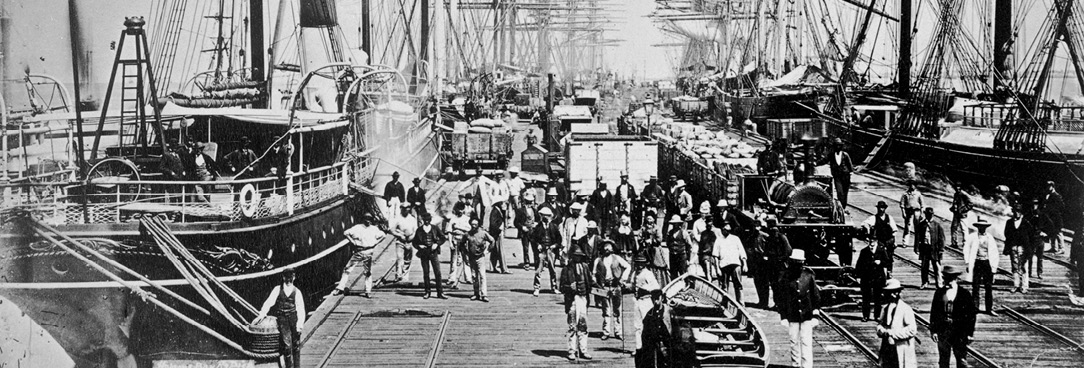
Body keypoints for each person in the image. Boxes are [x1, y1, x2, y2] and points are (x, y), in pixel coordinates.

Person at [775, 249, 821, 368]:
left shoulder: (808, 275)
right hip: (792, 314)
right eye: (796, 262)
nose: (798, 265)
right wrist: (783, 316)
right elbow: (781, 298)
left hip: (807, 314)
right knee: (794, 341)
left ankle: (807, 366)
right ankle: (796, 365)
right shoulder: (785, 277)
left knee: (806, 342)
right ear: (791, 262)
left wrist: (816, 315)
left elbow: (815, 296)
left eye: (800, 262)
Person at [253, 268, 306, 368]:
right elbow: (269, 302)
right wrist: (262, 314)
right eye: (287, 277)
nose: (289, 280)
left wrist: (299, 326)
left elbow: (301, 309)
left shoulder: (297, 292)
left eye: (290, 277)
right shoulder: (277, 289)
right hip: (283, 320)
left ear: (294, 277)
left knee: (296, 346)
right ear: (283, 277)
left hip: (293, 319)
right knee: (287, 346)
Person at [929, 265, 976, 368]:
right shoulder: (939, 293)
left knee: (961, 359)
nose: (947, 281)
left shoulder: (964, 294)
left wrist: (969, 333)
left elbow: (971, 315)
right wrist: (934, 330)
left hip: (959, 331)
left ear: (955, 278)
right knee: (943, 359)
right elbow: (934, 312)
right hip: (943, 330)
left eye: (950, 279)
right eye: (946, 278)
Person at [335, 214, 386, 297]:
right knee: (347, 269)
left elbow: (383, 235)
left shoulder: (374, 229)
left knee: (367, 272)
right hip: (359, 252)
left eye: (370, 219)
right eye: (367, 219)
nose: (368, 221)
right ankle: (340, 288)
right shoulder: (358, 227)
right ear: (363, 219)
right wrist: (352, 241)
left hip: (367, 252)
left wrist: (376, 243)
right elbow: (346, 233)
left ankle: (368, 291)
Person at [560, 245, 595, 361]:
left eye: (579, 256)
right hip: (572, 300)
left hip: (583, 298)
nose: (578, 258)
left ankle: (583, 350)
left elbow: (590, 282)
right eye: (576, 256)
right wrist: (569, 287)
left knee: (583, 325)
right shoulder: (566, 269)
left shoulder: (585, 267)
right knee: (572, 326)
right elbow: (561, 287)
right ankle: (572, 350)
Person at [593, 240, 632, 340]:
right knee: (606, 310)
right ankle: (606, 331)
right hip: (604, 287)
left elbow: (628, 266)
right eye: (605, 246)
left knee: (617, 309)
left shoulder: (617, 258)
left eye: (609, 246)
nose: (607, 248)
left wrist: (623, 279)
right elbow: (593, 274)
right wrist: (596, 285)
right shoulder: (598, 260)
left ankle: (618, 332)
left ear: (612, 248)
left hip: (616, 285)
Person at [877, 279, 917, 368]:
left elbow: (912, 330)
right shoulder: (885, 308)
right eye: (890, 292)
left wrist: (892, 334)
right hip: (887, 347)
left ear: (899, 293)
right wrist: (881, 331)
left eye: (895, 292)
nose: (892, 295)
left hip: (901, 347)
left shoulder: (905, 308)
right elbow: (880, 324)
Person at [755, 216, 792, 308]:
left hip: (780, 265)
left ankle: (779, 304)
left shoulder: (782, 237)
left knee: (778, 285)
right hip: (771, 264)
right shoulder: (769, 237)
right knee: (774, 284)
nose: (773, 230)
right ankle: (776, 304)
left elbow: (788, 251)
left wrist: (781, 258)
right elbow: (767, 250)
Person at [963, 218, 998, 315]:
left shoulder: (990, 238)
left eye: (984, 227)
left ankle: (989, 309)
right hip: (977, 262)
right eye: (980, 227)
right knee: (975, 286)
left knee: (988, 287)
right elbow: (966, 249)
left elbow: (995, 253)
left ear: (986, 228)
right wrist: (968, 262)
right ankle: (975, 308)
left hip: (987, 263)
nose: (982, 228)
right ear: (978, 227)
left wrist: (994, 268)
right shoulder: (972, 237)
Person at [631, 254, 661, 356]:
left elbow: (656, 288)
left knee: (647, 325)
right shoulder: (634, 273)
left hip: (646, 301)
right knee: (637, 326)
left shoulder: (648, 274)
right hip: (637, 301)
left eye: (641, 264)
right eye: (637, 263)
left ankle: (647, 348)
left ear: (644, 264)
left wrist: (645, 290)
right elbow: (632, 285)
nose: (639, 266)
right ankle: (638, 348)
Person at [857, 233, 890, 322]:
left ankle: (877, 316)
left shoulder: (881, 250)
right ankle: (865, 316)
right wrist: (858, 276)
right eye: (870, 242)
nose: (871, 244)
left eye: (873, 242)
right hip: (866, 277)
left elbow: (887, 262)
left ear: (876, 242)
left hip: (878, 277)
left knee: (877, 298)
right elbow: (859, 264)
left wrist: (881, 262)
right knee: (866, 298)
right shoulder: (864, 251)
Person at [459, 217, 494, 302]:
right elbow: (461, 244)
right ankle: (476, 293)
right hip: (471, 257)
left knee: (482, 276)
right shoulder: (467, 234)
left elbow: (492, 240)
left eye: (475, 224)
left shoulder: (483, 233)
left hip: (480, 257)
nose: (473, 226)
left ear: (478, 225)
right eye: (472, 224)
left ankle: (484, 294)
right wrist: (465, 253)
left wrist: (487, 251)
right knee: (474, 276)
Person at [413, 212, 447, 299]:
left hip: (433, 252)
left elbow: (443, 238)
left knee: (437, 272)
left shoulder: (435, 228)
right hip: (424, 253)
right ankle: (427, 292)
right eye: (425, 220)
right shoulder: (419, 230)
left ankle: (440, 292)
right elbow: (414, 242)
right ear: (423, 220)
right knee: (426, 273)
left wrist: (437, 244)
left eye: (428, 220)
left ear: (430, 220)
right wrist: (419, 246)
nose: (427, 221)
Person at [713, 223, 747, 304]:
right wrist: (717, 269)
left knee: (738, 285)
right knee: (724, 286)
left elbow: (742, 252)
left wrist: (745, 264)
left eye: (728, 230)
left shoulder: (735, 239)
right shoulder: (718, 240)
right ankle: (724, 304)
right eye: (724, 230)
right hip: (724, 265)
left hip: (735, 264)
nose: (726, 231)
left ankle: (740, 304)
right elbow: (715, 256)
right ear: (722, 229)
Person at [1004, 208, 1036, 293]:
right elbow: (1006, 234)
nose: (1017, 213)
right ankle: (1016, 285)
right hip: (1013, 247)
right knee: (1014, 267)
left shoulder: (1026, 223)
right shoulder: (1009, 222)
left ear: (1021, 213)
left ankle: (1024, 286)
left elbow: (1031, 236)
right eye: (1015, 211)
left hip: (1023, 248)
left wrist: (1029, 248)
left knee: (1024, 267)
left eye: (1018, 211)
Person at [638, 289, 673, 368]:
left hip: (667, 345)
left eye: (657, 298)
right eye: (653, 299)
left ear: (662, 298)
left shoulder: (668, 312)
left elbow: (674, 328)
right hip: (654, 346)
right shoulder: (649, 314)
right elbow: (645, 334)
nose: (655, 301)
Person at [914, 207, 946, 289]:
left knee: (937, 267)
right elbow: (917, 236)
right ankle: (924, 282)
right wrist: (916, 247)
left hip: (935, 249)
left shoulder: (937, 225)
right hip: (925, 248)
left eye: (930, 214)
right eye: (927, 214)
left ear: (933, 214)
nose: (929, 216)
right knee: (924, 266)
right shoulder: (921, 224)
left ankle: (939, 283)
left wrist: (941, 249)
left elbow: (942, 238)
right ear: (925, 214)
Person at [532, 207, 562, 296]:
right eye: (544, 215)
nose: (546, 217)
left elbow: (559, 239)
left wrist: (555, 246)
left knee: (552, 269)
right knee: (538, 270)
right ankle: (536, 288)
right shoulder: (537, 227)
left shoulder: (554, 227)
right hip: (541, 251)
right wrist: (538, 245)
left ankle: (554, 287)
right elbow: (533, 238)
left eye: (548, 216)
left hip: (551, 250)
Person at [862, 201, 899, 272]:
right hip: (879, 241)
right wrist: (868, 229)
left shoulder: (889, 218)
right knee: (879, 256)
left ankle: (889, 271)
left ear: (885, 208)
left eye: (883, 208)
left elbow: (895, 230)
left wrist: (894, 240)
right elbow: (864, 223)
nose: (881, 209)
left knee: (889, 257)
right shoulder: (874, 218)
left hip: (888, 241)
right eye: (880, 208)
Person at [446, 203, 473, 289]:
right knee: (454, 260)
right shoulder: (453, 219)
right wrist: (450, 243)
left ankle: (468, 277)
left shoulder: (467, 219)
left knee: (466, 259)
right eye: (459, 209)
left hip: (464, 241)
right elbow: (449, 232)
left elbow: (470, 230)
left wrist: (459, 228)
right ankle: (452, 278)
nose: (460, 211)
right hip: (455, 240)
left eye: (462, 209)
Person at [389, 202, 418, 283]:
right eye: (403, 208)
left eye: (407, 208)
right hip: (400, 241)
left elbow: (416, 230)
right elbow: (392, 230)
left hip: (409, 241)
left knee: (407, 259)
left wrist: (412, 237)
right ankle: (398, 276)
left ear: (409, 209)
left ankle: (405, 277)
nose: (405, 210)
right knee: (399, 258)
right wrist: (399, 235)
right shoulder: (397, 218)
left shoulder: (412, 219)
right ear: (401, 209)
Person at [642, 214, 670, 286]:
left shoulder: (657, 228)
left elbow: (659, 239)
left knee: (657, 265)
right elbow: (640, 237)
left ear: (654, 219)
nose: (649, 220)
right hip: (646, 250)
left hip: (655, 249)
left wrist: (652, 241)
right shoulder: (643, 228)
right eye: (648, 219)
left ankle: (659, 284)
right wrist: (644, 241)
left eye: (650, 219)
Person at [828, 137, 854, 209]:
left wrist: (851, 172)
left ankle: (843, 207)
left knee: (845, 193)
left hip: (845, 176)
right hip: (837, 176)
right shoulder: (831, 155)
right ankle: (841, 207)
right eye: (836, 145)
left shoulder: (845, 155)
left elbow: (850, 164)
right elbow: (824, 160)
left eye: (839, 145)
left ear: (841, 146)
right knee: (840, 192)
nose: (838, 147)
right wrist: (815, 163)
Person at [514, 191, 539, 269]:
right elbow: (516, 222)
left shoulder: (535, 210)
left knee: (535, 248)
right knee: (526, 248)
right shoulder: (520, 211)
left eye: (531, 201)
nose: (530, 203)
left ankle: (537, 262)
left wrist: (536, 223)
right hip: (525, 232)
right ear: (525, 201)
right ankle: (527, 262)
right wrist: (522, 227)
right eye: (528, 201)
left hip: (533, 231)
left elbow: (539, 219)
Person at [1041, 181, 1065, 253]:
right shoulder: (1048, 195)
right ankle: (1054, 247)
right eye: (1047, 186)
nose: (1048, 188)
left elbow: (1062, 206)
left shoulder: (1057, 195)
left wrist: (1055, 212)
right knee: (1052, 232)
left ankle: (1062, 248)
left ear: (1053, 187)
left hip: (1056, 217)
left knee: (1058, 232)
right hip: (1050, 217)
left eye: (1049, 186)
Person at [899, 182, 924, 246]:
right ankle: (905, 242)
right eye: (911, 185)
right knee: (907, 227)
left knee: (917, 227)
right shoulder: (905, 194)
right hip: (909, 212)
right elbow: (902, 204)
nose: (912, 186)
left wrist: (921, 213)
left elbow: (922, 204)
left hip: (917, 211)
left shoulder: (918, 194)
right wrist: (903, 212)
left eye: (914, 185)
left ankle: (918, 243)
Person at [949, 182, 973, 249]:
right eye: (956, 187)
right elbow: (955, 203)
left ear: (961, 187)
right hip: (956, 214)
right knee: (954, 228)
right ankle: (954, 243)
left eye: (958, 186)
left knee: (964, 229)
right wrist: (952, 208)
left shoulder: (964, 194)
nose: (957, 188)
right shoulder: (956, 194)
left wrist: (964, 210)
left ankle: (966, 244)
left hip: (962, 214)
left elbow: (971, 203)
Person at [665, 215, 690, 279]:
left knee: (683, 273)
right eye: (673, 223)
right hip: (673, 256)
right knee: (673, 274)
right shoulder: (670, 233)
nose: (675, 225)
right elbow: (668, 243)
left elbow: (689, 245)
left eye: (676, 223)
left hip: (681, 256)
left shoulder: (684, 232)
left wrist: (688, 258)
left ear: (679, 224)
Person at [488, 202, 510, 274]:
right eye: (503, 203)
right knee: (500, 251)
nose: (505, 205)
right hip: (497, 233)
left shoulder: (497, 210)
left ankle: (493, 267)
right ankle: (504, 268)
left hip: (496, 233)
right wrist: (498, 230)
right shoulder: (495, 211)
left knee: (494, 250)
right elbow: (493, 223)